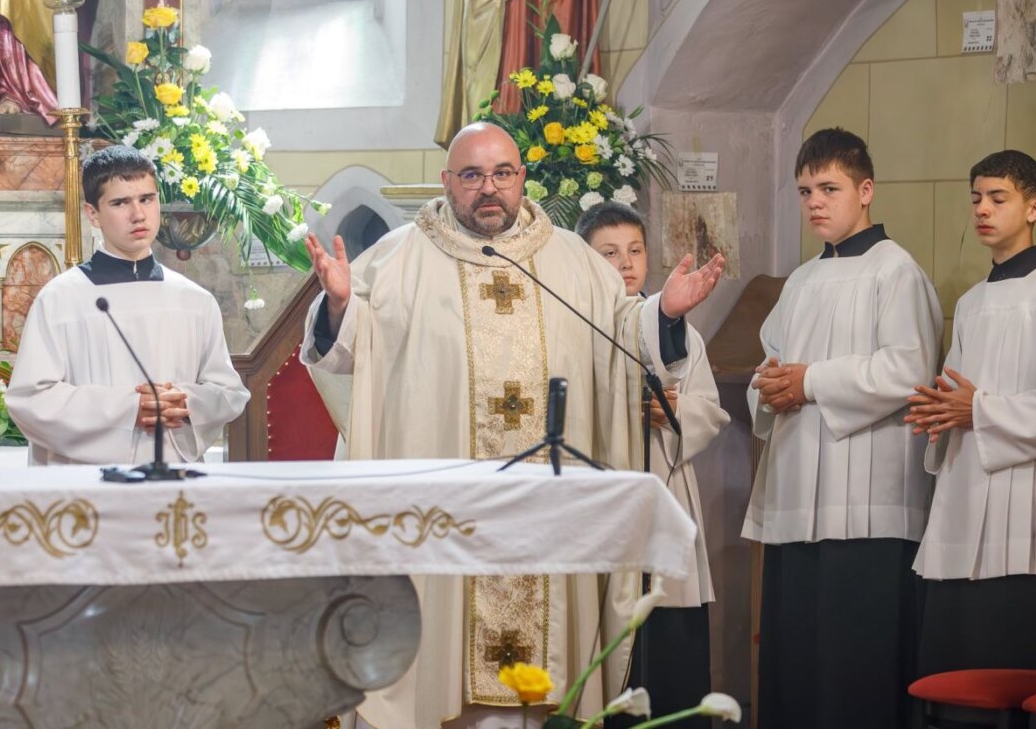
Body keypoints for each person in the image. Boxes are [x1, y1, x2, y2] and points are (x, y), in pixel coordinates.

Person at [302, 121, 725, 729]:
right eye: (472, 175)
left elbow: (620, 332)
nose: (489, 188)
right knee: (442, 660)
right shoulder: (397, 259)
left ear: (522, 177)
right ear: (447, 181)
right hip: (445, 510)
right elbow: (347, 354)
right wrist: (341, 305)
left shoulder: (573, 261)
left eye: (502, 173)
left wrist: (665, 313)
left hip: (548, 509)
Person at [744, 127, 942, 729]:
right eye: (805, 192)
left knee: (856, 661)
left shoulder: (896, 271)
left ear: (866, 190)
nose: (815, 203)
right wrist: (771, 388)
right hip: (797, 489)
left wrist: (809, 382)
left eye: (829, 188)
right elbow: (771, 364)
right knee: (795, 656)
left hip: (868, 503)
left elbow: (909, 371)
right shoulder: (801, 281)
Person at [907, 150, 1036, 674]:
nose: (982, 209)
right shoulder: (972, 302)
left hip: (1032, 517)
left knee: (1020, 664)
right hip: (967, 501)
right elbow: (956, 395)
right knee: (959, 669)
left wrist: (978, 411)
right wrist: (938, 413)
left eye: (998, 198)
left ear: (1034, 208)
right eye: (976, 198)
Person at [577, 201, 729, 729]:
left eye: (635, 250)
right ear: (583, 261)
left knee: (669, 652)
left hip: (666, 493)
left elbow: (710, 409)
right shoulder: (575, 329)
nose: (625, 263)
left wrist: (675, 412)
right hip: (602, 509)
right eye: (609, 253)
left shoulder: (677, 326)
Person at [6, 145, 249, 465]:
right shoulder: (60, 299)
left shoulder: (194, 300)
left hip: (172, 478)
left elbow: (228, 392)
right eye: (120, 203)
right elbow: (30, 399)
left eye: (147, 199)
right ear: (92, 213)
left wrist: (185, 402)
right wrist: (128, 408)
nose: (138, 215)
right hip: (86, 482)